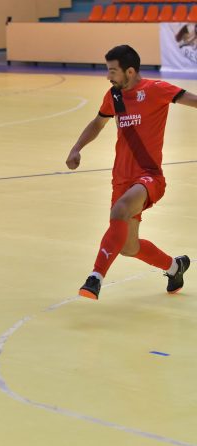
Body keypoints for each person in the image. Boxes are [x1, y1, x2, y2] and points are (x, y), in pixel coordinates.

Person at [66, 45, 197, 300]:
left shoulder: (156, 89)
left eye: (112, 71)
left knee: (120, 210)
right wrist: (76, 148)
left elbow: (193, 100)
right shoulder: (114, 96)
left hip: (149, 176)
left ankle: (95, 278)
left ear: (130, 71)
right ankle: (175, 267)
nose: (108, 76)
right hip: (121, 179)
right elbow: (98, 123)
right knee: (128, 247)